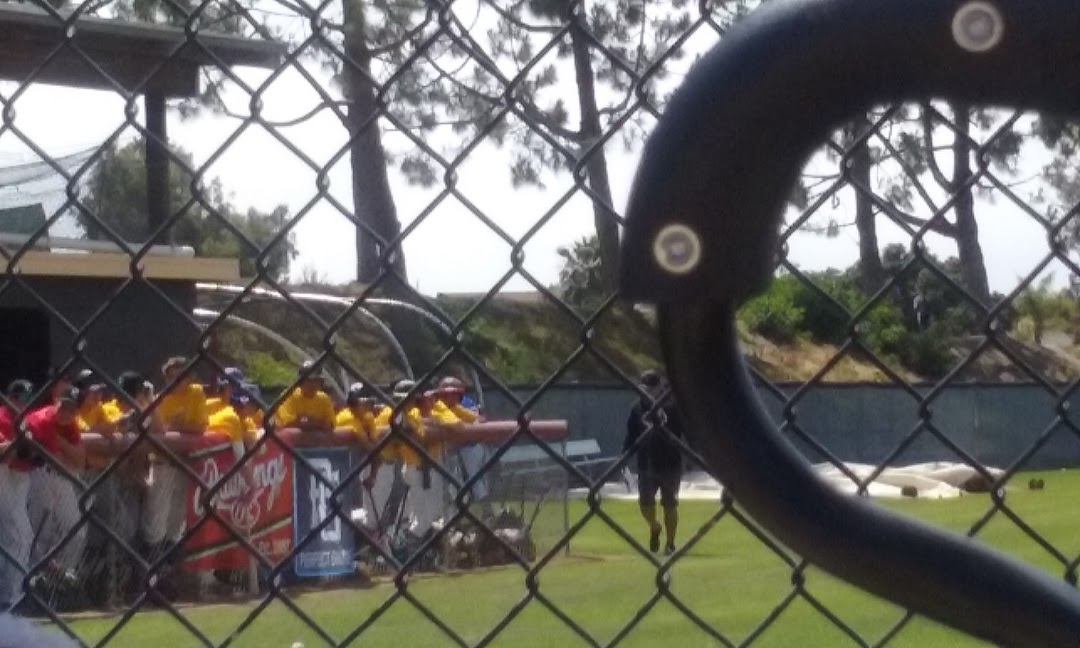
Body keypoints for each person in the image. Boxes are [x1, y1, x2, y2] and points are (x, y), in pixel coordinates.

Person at [23, 388, 86, 586]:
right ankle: (37, 579)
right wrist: (67, 448)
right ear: (56, 401)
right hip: (36, 474)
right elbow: (58, 460)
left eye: (71, 409)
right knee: (41, 528)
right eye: (64, 406)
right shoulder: (42, 419)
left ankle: (62, 576)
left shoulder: (71, 424)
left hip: (60, 477)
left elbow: (79, 460)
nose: (66, 413)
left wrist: (63, 444)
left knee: (76, 527)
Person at [623, 370, 685, 556]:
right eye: (643, 388)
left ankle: (671, 543)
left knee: (670, 504)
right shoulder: (637, 408)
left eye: (650, 388)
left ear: (659, 388)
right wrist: (624, 457)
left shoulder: (673, 407)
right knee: (645, 505)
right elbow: (631, 434)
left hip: (670, 463)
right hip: (646, 463)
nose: (646, 392)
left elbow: (685, 431)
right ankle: (654, 526)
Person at [0, 380, 37, 611]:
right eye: (17, 398)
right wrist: (18, 444)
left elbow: (31, 454)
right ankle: (12, 595)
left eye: (25, 398)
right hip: (4, 475)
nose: (21, 403)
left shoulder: (25, 420)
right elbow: (4, 453)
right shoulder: (3, 416)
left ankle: (11, 593)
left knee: (17, 536)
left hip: (19, 479)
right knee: (18, 535)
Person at [434, 376, 490, 511]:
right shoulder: (437, 407)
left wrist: (466, 430)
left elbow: (479, 420)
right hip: (445, 451)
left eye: (453, 394)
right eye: (445, 394)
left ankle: (486, 511)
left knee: (474, 478)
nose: (449, 397)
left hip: (468, 447)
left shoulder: (463, 404)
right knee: (450, 486)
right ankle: (456, 516)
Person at [272, 361, 335, 431]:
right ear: (300, 381)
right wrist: (318, 422)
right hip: (284, 439)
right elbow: (289, 424)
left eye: (317, 380)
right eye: (309, 380)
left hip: (314, 440)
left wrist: (305, 419)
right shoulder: (288, 395)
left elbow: (330, 425)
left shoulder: (324, 398)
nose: (313, 384)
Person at [156, 356, 209, 436]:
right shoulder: (160, 399)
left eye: (180, 377)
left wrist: (174, 427)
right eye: (171, 377)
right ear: (166, 379)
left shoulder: (197, 392)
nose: (175, 381)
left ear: (189, 378)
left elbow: (202, 427)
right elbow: (159, 429)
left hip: (192, 442)